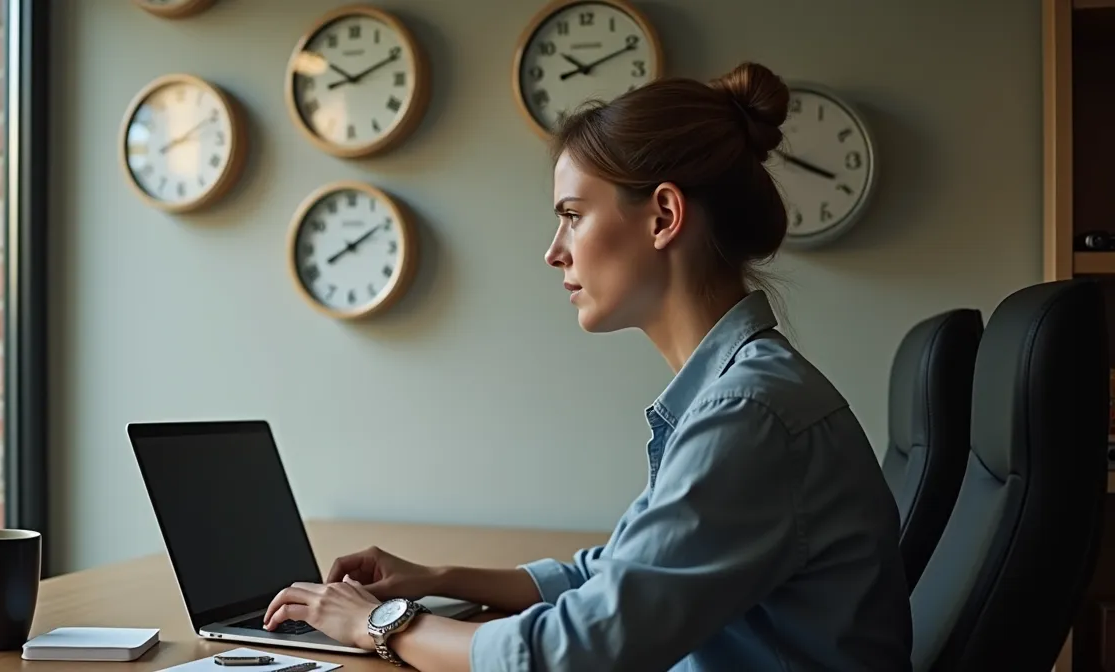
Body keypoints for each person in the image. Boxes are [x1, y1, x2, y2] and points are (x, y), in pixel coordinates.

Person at [262, 61, 913, 671]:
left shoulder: (748, 414)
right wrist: (438, 582)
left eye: (573, 216)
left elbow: (582, 651)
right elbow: (618, 573)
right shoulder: (737, 393)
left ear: (663, 215)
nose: (554, 252)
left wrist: (384, 626)